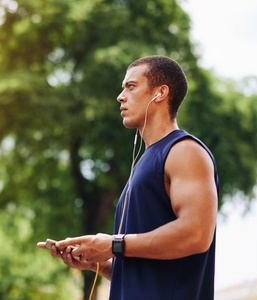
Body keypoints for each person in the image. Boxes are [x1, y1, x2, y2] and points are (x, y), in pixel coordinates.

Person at [37, 55, 219, 299]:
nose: (120, 96)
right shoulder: (144, 162)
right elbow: (143, 268)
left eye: (130, 86)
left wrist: (113, 245)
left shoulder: (184, 150)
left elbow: (196, 235)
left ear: (160, 93)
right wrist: (96, 263)